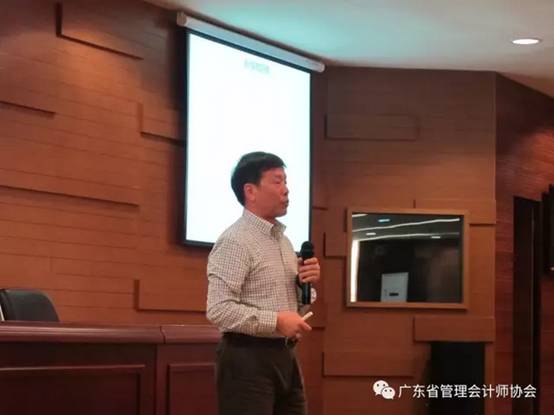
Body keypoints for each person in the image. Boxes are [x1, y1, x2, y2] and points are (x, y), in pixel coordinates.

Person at [206, 151, 321, 415]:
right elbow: (218, 309)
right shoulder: (235, 241)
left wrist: (304, 286)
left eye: (286, 181)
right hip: (246, 358)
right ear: (250, 191)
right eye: (277, 181)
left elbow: (293, 307)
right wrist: (276, 321)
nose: (286, 189)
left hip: (285, 355)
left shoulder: (284, 242)